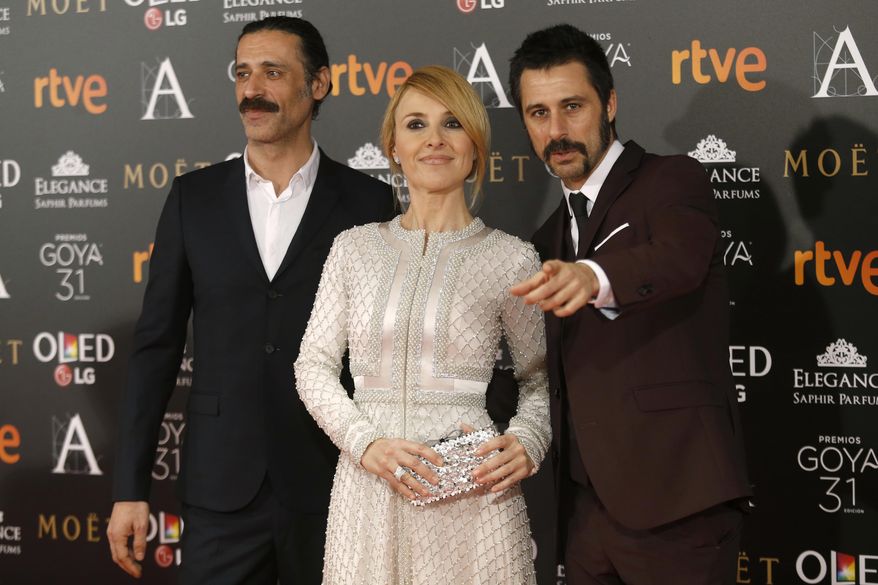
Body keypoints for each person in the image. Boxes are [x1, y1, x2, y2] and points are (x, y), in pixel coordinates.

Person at [106, 17, 393, 584]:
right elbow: (156, 348)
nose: (251, 89)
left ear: (319, 85)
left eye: (272, 72)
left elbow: (386, 351)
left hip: (334, 481)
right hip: (220, 487)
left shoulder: (369, 202)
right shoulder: (194, 199)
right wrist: (129, 490)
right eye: (242, 73)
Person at [507, 25, 752, 585]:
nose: (557, 131)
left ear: (610, 102)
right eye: (538, 113)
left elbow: (676, 259)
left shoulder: (671, 181)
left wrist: (592, 277)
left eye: (573, 106)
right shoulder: (545, 240)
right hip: (584, 515)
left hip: (677, 502)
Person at [294, 65, 550, 585]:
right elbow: (313, 366)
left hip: (475, 498)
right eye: (416, 124)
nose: (434, 139)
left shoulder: (512, 259)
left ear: (475, 146)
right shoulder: (353, 250)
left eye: (452, 123)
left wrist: (529, 438)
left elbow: (541, 378)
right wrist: (366, 444)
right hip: (369, 490)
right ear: (392, 146)